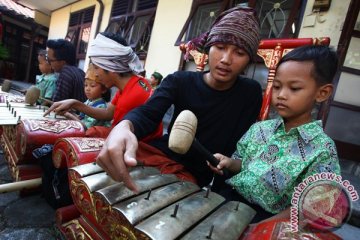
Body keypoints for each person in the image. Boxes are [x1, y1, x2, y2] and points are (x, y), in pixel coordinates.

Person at [95, 6, 263, 194]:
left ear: (249, 60)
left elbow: (240, 145)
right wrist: (125, 126)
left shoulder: (251, 92)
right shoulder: (180, 80)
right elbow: (148, 114)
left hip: (197, 175)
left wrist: (226, 169)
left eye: (239, 53)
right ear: (208, 49)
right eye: (221, 47)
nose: (225, 59)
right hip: (163, 156)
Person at [207, 45, 341, 223]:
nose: (281, 95)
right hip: (229, 201)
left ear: (322, 93)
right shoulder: (260, 129)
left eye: (294, 89)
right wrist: (229, 162)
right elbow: (245, 164)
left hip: (270, 219)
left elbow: (310, 208)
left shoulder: (323, 151)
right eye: (277, 87)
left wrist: (262, 227)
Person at [44, 32, 163, 140]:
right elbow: (108, 113)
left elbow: (116, 137)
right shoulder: (135, 83)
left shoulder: (131, 97)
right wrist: (75, 103)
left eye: (96, 67)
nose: (95, 74)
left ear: (111, 67)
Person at [64, 63, 111, 130]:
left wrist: (70, 116)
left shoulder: (101, 106)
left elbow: (86, 127)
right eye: (86, 85)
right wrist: (72, 113)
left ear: (103, 90)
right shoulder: (87, 102)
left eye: (92, 86)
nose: (87, 89)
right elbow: (82, 118)